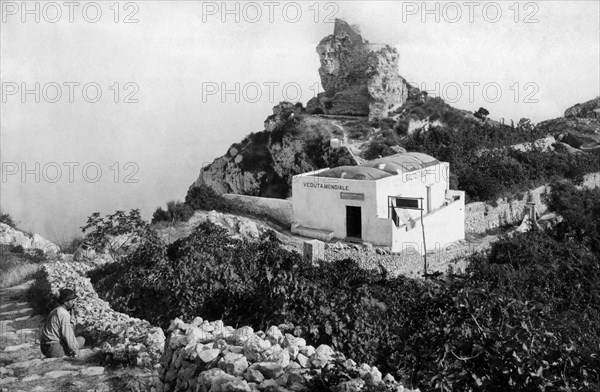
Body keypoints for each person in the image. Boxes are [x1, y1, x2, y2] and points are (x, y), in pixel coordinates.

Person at [40, 288, 85, 358]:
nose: (73, 303)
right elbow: (67, 334)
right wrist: (75, 350)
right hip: (53, 349)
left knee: (76, 339)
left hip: (44, 347)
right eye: (72, 301)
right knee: (81, 340)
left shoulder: (55, 310)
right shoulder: (64, 314)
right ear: (66, 302)